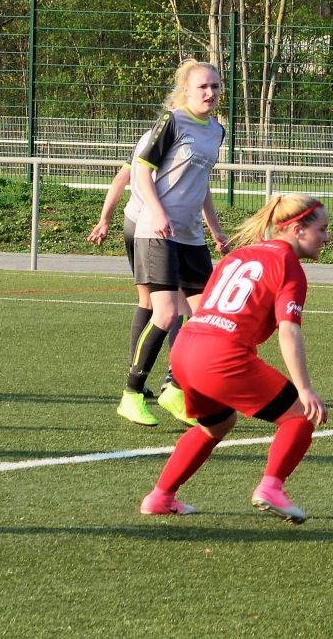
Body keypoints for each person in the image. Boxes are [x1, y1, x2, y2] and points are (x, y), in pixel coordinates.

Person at [139, 193, 330, 524]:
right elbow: (289, 331)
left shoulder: (238, 256)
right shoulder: (289, 266)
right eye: (322, 229)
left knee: (216, 425)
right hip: (220, 355)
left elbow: (208, 307)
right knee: (301, 415)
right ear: (298, 229)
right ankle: (271, 488)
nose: (326, 238)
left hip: (186, 348)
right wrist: (304, 389)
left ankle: (160, 497)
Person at [117, 59, 230, 428]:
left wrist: (215, 229)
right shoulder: (172, 121)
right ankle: (132, 394)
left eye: (215, 86)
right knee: (165, 314)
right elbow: (141, 171)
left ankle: (175, 387)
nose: (210, 92)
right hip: (157, 232)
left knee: (207, 317)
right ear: (186, 90)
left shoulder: (216, 131)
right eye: (203, 87)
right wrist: (157, 211)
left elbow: (202, 183)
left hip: (191, 236)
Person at [87, 154, 186, 403]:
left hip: (133, 221)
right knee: (177, 302)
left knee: (148, 301)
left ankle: (136, 374)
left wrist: (105, 219)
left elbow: (120, 179)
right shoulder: (172, 139)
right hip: (157, 226)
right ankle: (174, 376)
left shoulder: (146, 141)